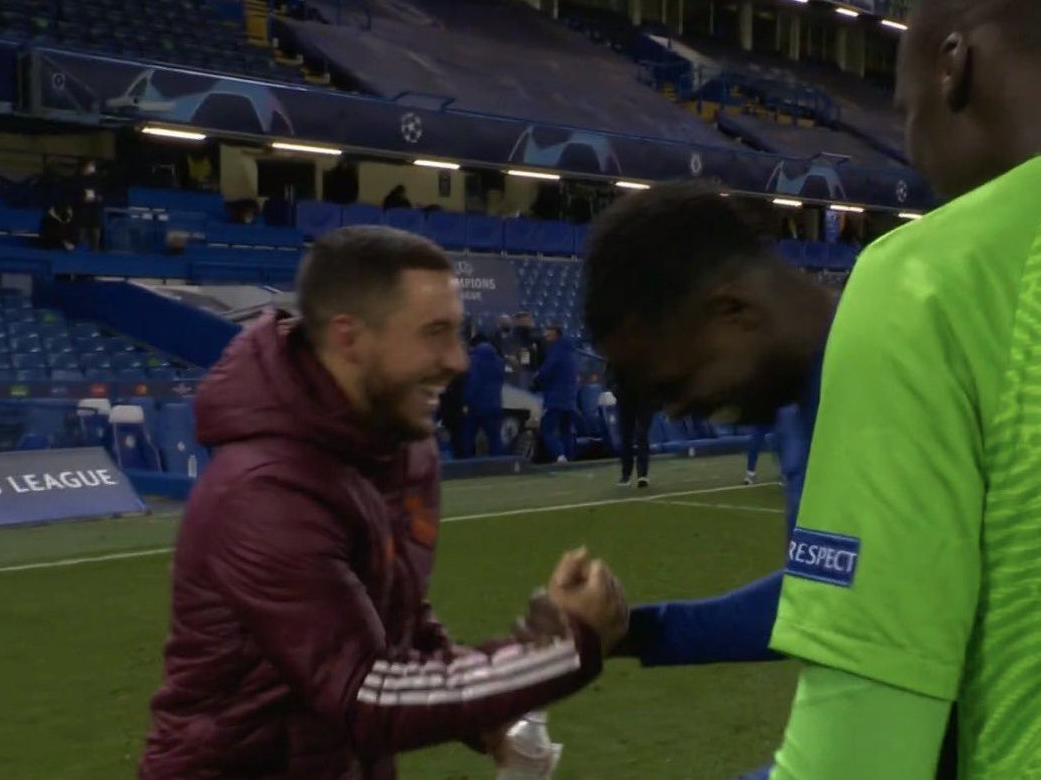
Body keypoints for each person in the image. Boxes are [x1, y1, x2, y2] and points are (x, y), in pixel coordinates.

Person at [139, 225, 628, 780]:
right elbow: (364, 693)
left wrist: (482, 715)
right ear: (349, 338)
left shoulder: (399, 445)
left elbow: (400, 619)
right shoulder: (265, 489)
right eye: (434, 333)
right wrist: (561, 650)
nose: (458, 360)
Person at [752, 0, 1041, 776]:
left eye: (906, 107)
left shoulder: (930, 282)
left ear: (954, 67)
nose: (909, 140)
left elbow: (856, 757)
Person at [583, 183, 836, 670]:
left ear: (733, 310)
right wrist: (629, 632)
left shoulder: (888, 372)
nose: (677, 411)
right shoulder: (793, 399)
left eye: (677, 382)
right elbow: (820, 601)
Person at [534, 325, 578, 463]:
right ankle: (569, 457)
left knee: (547, 430)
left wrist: (535, 380)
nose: (546, 337)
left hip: (554, 399)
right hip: (570, 400)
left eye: (549, 334)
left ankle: (560, 456)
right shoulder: (571, 353)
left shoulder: (555, 352)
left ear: (556, 335)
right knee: (566, 431)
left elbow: (546, 372)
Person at [608, 367, 653, 488]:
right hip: (626, 397)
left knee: (641, 434)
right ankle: (626, 474)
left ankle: (641, 474)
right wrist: (615, 389)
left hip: (644, 397)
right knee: (627, 436)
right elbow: (611, 371)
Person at [462, 337, 505, 457]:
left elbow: (473, 384)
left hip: (476, 406)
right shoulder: (499, 362)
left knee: (467, 437)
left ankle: (466, 463)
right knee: (495, 437)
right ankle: (498, 463)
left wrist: (466, 401)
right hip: (495, 405)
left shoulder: (473, 361)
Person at [66, 158, 104, 251]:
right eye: (89, 166)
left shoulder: (96, 180)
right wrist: (82, 200)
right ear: (82, 167)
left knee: (95, 238)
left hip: (94, 215)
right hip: (81, 215)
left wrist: (99, 198)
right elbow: (70, 198)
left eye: (92, 166)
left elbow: (102, 194)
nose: (91, 168)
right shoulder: (74, 181)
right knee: (80, 239)